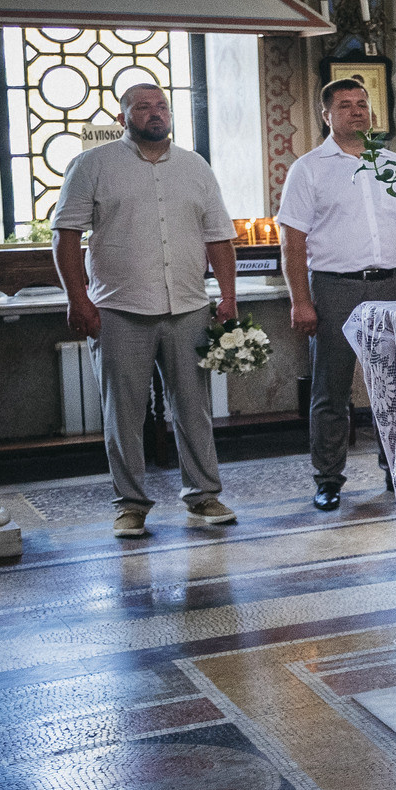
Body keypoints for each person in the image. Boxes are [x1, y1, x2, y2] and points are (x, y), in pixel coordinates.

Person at [53, 82, 241, 539]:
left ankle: (204, 495)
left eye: (161, 106)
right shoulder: (92, 165)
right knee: (123, 415)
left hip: (188, 306)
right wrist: (79, 299)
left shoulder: (196, 167)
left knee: (194, 410)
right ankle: (131, 506)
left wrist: (229, 297)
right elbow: (66, 236)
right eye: (143, 107)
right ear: (123, 118)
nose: (155, 113)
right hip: (119, 308)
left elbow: (219, 237)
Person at [278, 79, 396, 511]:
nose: (357, 110)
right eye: (345, 105)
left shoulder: (394, 165)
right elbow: (292, 241)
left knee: (394, 386)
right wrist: (300, 300)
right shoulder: (309, 169)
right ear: (326, 115)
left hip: (391, 286)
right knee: (331, 390)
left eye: (362, 103)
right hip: (334, 288)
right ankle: (328, 479)